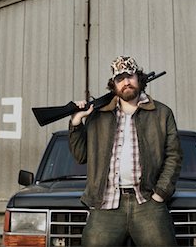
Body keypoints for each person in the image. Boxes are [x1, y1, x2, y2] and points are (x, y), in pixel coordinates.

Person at [69, 56, 183, 247]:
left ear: (139, 78)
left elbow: (174, 155)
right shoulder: (98, 115)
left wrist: (160, 193)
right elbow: (80, 156)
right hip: (105, 204)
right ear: (113, 85)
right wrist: (76, 121)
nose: (126, 82)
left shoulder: (162, 113)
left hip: (147, 203)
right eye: (119, 79)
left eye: (130, 76)